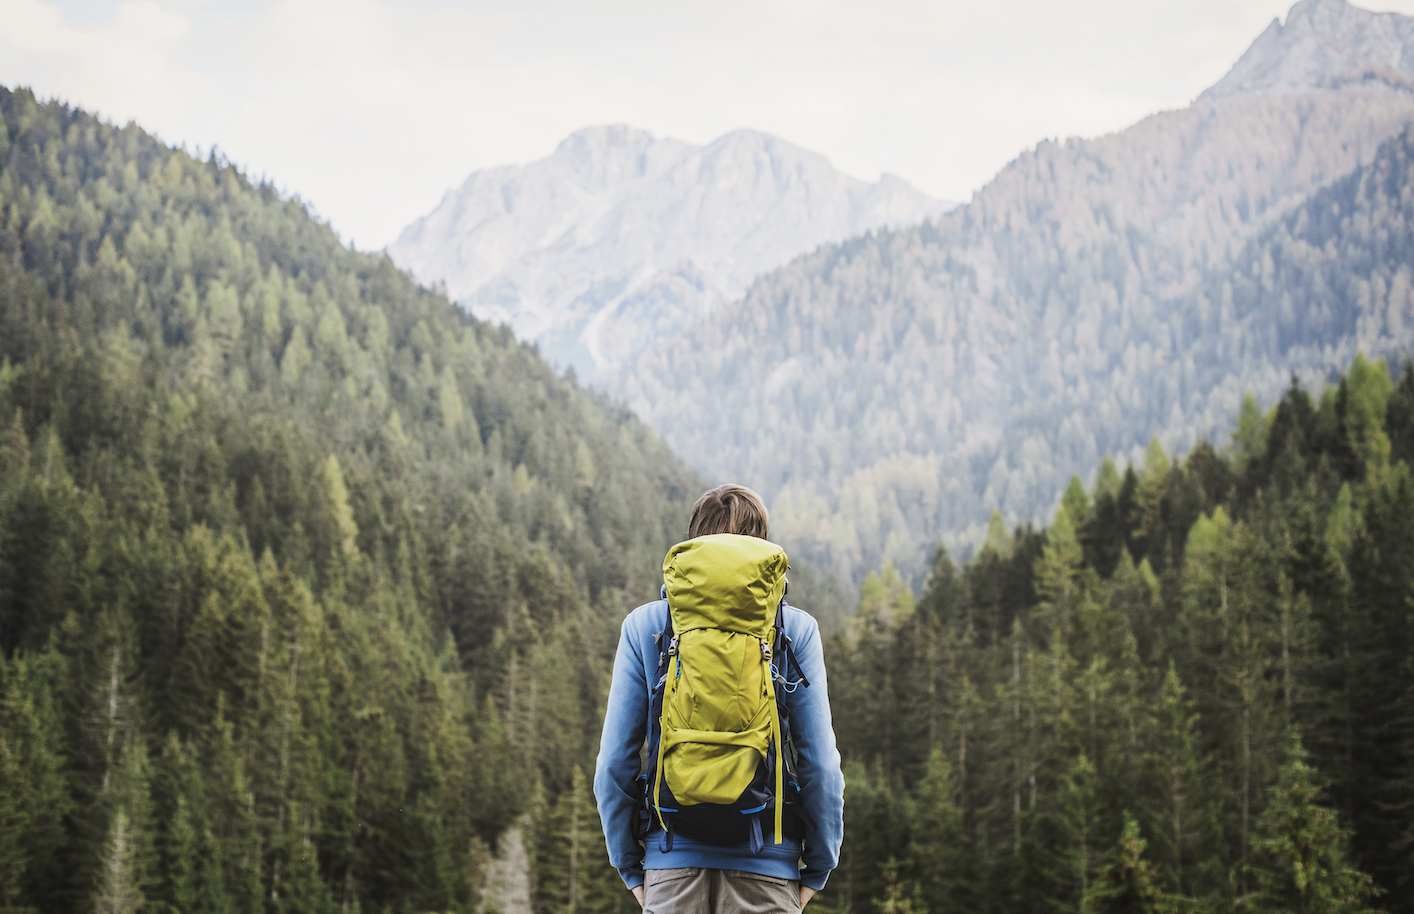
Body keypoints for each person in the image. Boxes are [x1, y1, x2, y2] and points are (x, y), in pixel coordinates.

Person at [594, 484, 844, 913]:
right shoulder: (795, 630)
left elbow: (614, 765)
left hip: (670, 866)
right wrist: (818, 867)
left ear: (695, 542)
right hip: (768, 872)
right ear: (760, 548)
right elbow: (821, 766)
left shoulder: (645, 625)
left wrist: (632, 868)